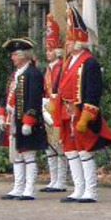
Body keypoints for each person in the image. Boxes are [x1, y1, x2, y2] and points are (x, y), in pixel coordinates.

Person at [49, 5, 111, 203]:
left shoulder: (89, 62)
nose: (66, 44)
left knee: (85, 151)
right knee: (70, 151)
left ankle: (91, 190)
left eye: (69, 40)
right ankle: (78, 188)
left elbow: (93, 92)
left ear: (78, 42)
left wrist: (86, 116)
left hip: (80, 114)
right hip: (66, 113)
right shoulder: (67, 62)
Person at [0, 37, 48, 200]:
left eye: (14, 55)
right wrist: (1, 115)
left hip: (26, 120)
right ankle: (18, 187)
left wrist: (28, 121)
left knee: (28, 155)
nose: (12, 58)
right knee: (17, 155)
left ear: (22, 56)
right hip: (13, 120)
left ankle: (29, 189)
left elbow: (34, 99)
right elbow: (5, 97)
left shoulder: (33, 74)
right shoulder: (15, 75)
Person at [41, 13, 68, 193]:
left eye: (51, 50)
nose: (48, 53)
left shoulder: (61, 67)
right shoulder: (48, 69)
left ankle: (61, 180)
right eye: (47, 50)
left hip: (57, 108)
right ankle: (53, 179)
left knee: (59, 146)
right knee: (49, 146)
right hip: (47, 108)